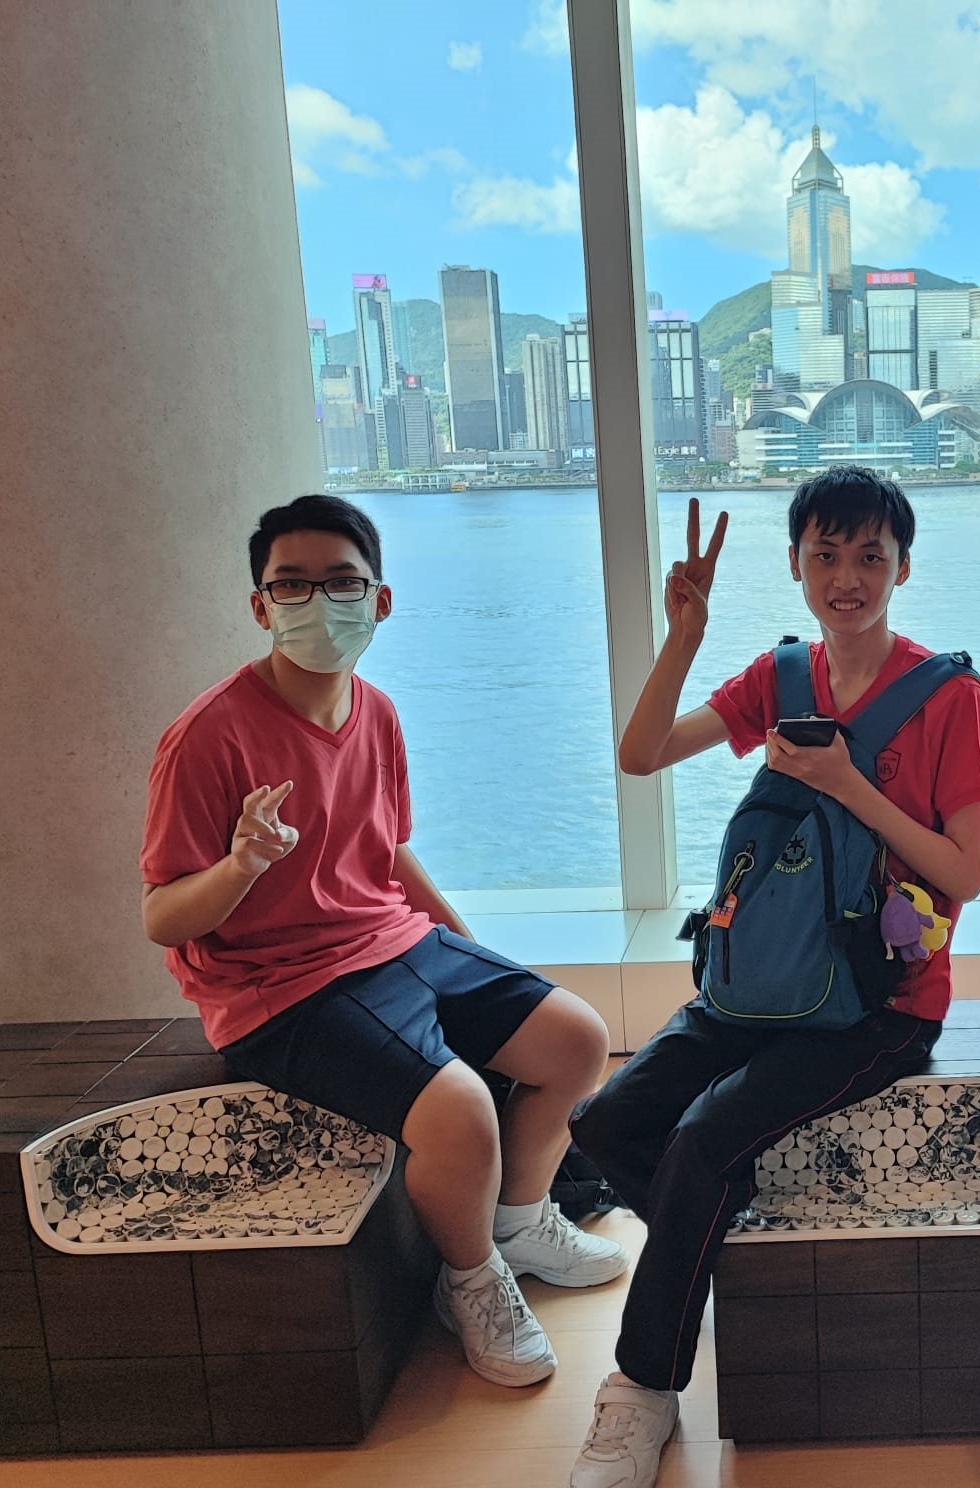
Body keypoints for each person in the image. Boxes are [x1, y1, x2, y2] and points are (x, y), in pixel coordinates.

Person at [562, 467, 980, 1488]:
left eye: (870, 556)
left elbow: (965, 871)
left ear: (902, 567)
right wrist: (685, 634)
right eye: (825, 555)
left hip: (879, 1008)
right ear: (796, 563)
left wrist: (846, 782)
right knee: (605, 1123)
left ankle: (643, 1386)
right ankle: (709, 1246)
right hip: (755, 985)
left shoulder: (948, 695)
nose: (848, 578)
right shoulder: (781, 674)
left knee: (702, 1141)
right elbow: (641, 755)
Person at [139, 494, 626, 1390]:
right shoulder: (208, 736)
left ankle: (518, 1225)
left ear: (380, 600)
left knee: (576, 1039)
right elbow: (163, 916)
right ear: (260, 606)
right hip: (279, 988)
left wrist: (478, 958)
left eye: (341, 583)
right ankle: (469, 1280)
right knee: (460, 1110)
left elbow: (390, 853)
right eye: (291, 585)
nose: (317, 604)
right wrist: (243, 865)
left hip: (390, 940)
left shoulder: (378, 712)